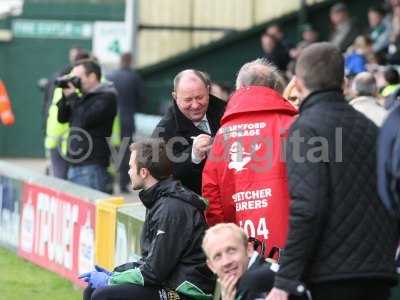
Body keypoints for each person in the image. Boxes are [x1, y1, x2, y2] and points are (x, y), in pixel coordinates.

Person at [266, 42, 399, 300]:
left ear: (298, 84)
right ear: (344, 83)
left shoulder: (305, 130)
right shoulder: (371, 129)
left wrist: (283, 281)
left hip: (332, 277)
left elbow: (308, 207)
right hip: (379, 273)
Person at [80, 138, 215, 300]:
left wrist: (111, 280)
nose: (129, 172)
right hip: (168, 282)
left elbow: (154, 273)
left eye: (131, 167)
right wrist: (116, 272)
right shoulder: (159, 200)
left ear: (143, 172)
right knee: (91, 291)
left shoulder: (171, 208)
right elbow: (150, 263)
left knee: (104, 295)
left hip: (186, 293)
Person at [202, 58, 297, 255]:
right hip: (291, 247)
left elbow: (211, 194)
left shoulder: (223, 133)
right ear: (275, 87)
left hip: (243, 250)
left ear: (240, 88)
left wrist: (225, 241)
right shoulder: (293, 124)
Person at [152, 69, 226, 195]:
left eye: (200, 97)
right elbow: (160, 179)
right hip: (194, 207)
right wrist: (193, 156)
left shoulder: (227, 111)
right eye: (188, 100)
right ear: (175, 97)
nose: (195, 105)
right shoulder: (163, 132)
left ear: (208, 90)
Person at [202, 223, 308, 300]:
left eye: (231, 251)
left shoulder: (259, 280)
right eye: (217, 256)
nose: (226, 262)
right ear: (211, 266)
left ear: (249, 249)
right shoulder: (228, 287)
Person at [57, 59, 117, 192]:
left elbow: (84, 119)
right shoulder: (82, 98)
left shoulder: (106, 97)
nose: (75, 82)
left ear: (92, 77)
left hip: (91, 167)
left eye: (78, 78)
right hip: (74, 165)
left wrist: (72, 96)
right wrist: (64, 96)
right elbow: (62, 118)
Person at [44, 48, 90, 179]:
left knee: (61, 179)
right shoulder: (73, 82)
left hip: (59, 135)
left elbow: (47, 105)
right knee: (65, 181)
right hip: (69, 136)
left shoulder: (61, 77)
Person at [107, 52, 146, 193]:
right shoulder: (134, 77)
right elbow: (142, 99)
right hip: (127, 119)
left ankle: (109, 182)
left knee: (110, 150)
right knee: (125, 152)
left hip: (111, 119)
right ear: (130, 61)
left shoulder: (110, 77)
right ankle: (123, 183)